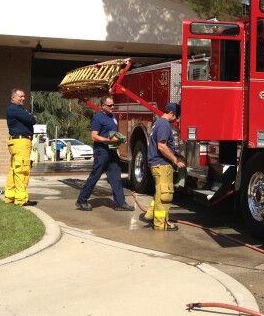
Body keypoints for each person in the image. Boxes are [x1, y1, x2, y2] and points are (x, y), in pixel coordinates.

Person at [75, 96, 135, 212]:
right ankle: (82, 200)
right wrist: (109, 141)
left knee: (116, 177)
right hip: (101, 151)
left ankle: (120, 203)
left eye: (113, 105)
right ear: (103, 106)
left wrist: (116, 146)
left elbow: (112, 134)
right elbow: (94, 136)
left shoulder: (113, 116)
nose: (113, 107)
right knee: (95, 175)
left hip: (112, 151)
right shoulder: (98, 118)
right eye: (110, 105)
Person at [141, 103, 186, 231]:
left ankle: (150, 215)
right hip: (162, 165)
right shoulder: (164, 125)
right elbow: (162, 146)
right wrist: (175, 159)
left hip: (158, 164)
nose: (176, 120)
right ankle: (161, 224)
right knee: (165, 196)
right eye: (176, 117)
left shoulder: (158, 123)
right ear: (171, 113)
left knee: (160, 192)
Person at [4, 88, 38, 206]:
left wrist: (30, 117)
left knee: (14, 169)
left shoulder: (16, 109)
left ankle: (10, 196)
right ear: (13, 98)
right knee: (22, 170)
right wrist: (32, 117)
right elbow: (31, 120)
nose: (23, 98)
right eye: (21, 97)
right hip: (21, 143)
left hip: (18, 142)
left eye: (24, 96)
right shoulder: (15, 109)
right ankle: (21, 199)